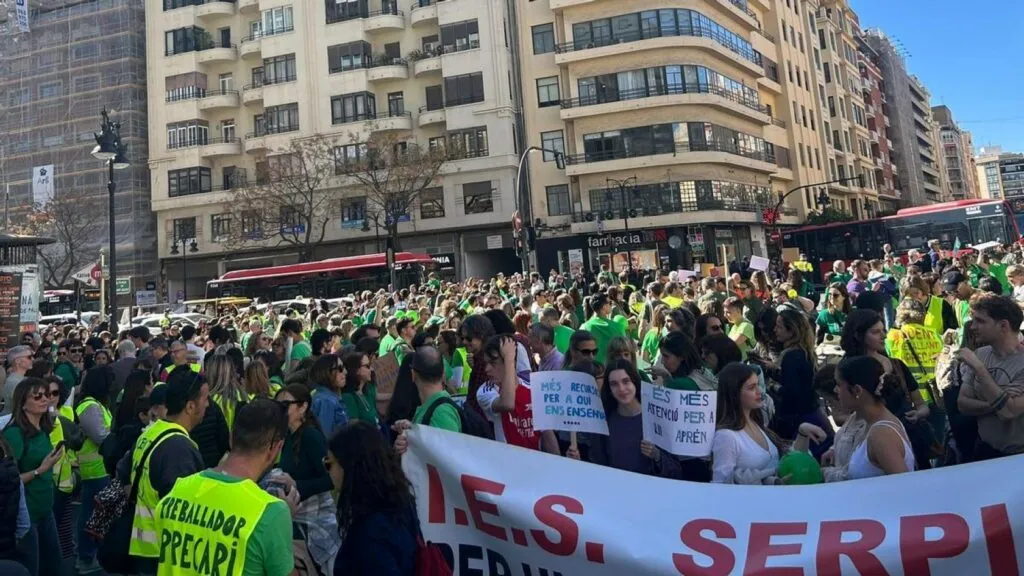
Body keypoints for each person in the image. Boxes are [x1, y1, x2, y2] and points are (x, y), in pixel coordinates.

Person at [152, 399, 296, 576]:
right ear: (276, 447)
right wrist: (283, 523)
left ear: (231, 437)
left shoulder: (176, 492)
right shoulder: (271, 512)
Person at [119, 368, 208, 574]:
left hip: (142, 546)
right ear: (190, 406)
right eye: (206, 399)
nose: (208, 404)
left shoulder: (151, 433)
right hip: (162, 552)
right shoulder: (179, 448)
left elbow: (123, 472)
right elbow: (184, 513)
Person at [328, 421, 419, 575]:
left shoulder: (371, 531)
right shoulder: (400, 503)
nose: (328, 471)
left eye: (329, 463)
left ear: (348, 467)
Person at [571, 359, 681, 478]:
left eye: (626, 381)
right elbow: (597, 465)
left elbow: (676, 471)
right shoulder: (604, 422)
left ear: (635, 382)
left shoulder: (657, 418)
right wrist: (577, 461)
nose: (621, 389)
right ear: (609, 389)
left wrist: (657, 455)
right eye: (614, 384)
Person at [3, 378, 63, 576]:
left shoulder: (43, 429)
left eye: (46, 394)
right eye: (37, 396)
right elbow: (8, 480)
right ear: (23, 403)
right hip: (27, 515)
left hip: (46, 508)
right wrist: (40, 470)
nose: (44, 399)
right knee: (31, 568)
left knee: (54, 567)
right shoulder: (15, 434)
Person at [956, 294, 1024, 459]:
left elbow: (1008, 412)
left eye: (980, 321)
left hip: (1018, 456)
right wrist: (999, 400)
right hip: (985, 451)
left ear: (1003, 325)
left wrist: (979, 369)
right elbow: (962, 404)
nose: (972, 327)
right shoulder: (980, 354)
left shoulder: (976, 361)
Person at [835, 356, 916, 478]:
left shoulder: (881, 434)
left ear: (857, 390)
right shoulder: (872, 424)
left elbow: (904, 484)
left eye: (839, 384)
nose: (835, 390)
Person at [477, 335, 558, 453]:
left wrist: (558, 460)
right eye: (486, 363)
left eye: (493, 363)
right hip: (507, 461)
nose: (487, 369)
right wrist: (509, 359)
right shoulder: (485, 390)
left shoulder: (533, 389)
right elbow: (507, 404)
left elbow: (547, 433)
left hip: (536, 460)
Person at [74, 367, 115, 573]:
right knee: (92, 515)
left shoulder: (98, 405)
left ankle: (90, 553)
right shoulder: (89, 406)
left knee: (96, 514)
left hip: (101, 467)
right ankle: (86, 555)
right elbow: (100, 435)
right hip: (95, 468)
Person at [274, 385, 332, 501]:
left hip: (313, 508)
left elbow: (330, 479)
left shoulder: (311, 436)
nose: (280, 410)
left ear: (303, 407)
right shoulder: (287, 435)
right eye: (277, 406)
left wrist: (296, 484)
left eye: (285, 405)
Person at [309, 354, 350, 438]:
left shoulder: (327, 397)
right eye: (340, 368)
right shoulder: (326, 400)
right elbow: (326, 437)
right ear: (327, 372)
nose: (345, 372)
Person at [579, 293, 626, 365]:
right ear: (604, 307)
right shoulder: (618, 326)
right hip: (613, 367)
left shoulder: (584, 327)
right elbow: (625, 350)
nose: (612, 304)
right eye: (610, 303)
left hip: (592, 368)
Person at [341, 351, 378, 425]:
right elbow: (355, 428)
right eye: (367, 366)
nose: (371, 369)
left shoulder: (367, 392)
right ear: (356, 370)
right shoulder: (348, 397)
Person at [1, 346, 33, 417]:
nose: (32, 359)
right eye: (29, 357)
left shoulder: (16, 379)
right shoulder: (15, 382)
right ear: (17, 361)